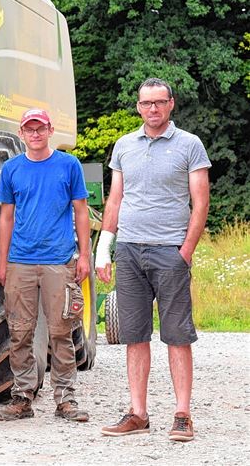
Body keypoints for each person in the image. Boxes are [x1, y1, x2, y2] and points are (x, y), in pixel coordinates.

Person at [95, 78, 210, 442]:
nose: (153, 109)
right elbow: (114, 200)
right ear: (138, 106)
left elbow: (201, 203)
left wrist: (185, 252)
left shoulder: (189, 145)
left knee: (177, 336)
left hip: (169, 251)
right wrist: (104, 249)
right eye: (147, 103)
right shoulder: (124, 145)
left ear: (171, 104)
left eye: (160, 102)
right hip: (129, 249)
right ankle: (138, 413)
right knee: (134, 335)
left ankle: (182, 415)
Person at [0, 109, 91, 423]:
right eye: (29, 129)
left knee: (61, 333)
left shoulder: (68, 165)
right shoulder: (12, 169)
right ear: (21, 134)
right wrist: (2, 261)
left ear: (50, 130)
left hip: (58, 262)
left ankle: (65, 399)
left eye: (40, 128)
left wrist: (84, 256)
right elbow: (6, 217)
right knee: (19, 333)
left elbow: (81, 212)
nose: (35, 134)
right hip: (21, 262)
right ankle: (22, 398)